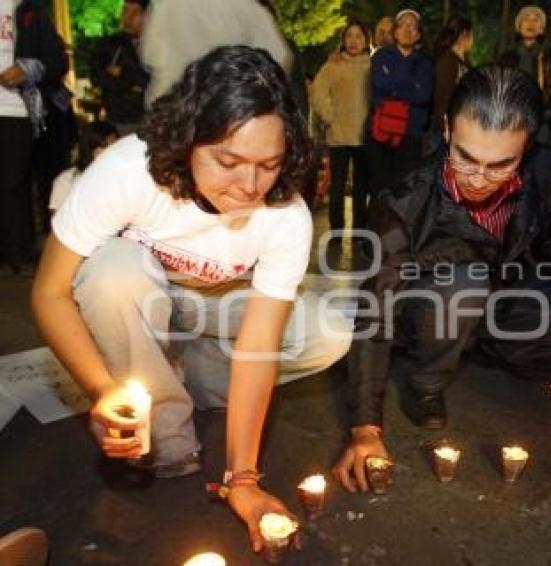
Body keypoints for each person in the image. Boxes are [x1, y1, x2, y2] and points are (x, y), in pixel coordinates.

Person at [31, 47, 352, 553]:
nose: (249, 186)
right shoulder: (126, 171)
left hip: (220, 305)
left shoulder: (284, 211)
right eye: (228, 161)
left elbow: (260, 343)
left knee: (329, 333)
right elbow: (49, 292)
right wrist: (101, 390)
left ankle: (187, 375)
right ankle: (166, 419)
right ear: (186, 140)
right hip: (142, 292)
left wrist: (242, 478)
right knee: (111, 270)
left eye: (269, 164)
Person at [332, 66, 551, 493]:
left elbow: (550, 235)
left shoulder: (541, 173)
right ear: (445, 130)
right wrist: (365, 426)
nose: (478, 179)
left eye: (500, 165)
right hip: (426, 308)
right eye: (465, 157)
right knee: (465, 283)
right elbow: (374, 317)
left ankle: (480, 344)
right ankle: (426, 380)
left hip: (496, 295)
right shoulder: (401, 205)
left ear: (527, 150)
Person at [0, 0, 67, 274]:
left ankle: (18, 254)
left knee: (13, 184)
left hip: (16, 110)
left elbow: (56, 62)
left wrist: (27, 70)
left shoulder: (28, 9)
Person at [139, 0, 294, 106]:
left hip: (175, 107)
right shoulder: (242, 5)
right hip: (228, 107)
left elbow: (149, 56)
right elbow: (278, 55)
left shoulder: (165, 7)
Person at [310, 19, 372, 231]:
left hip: (365, 136)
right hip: (338, 135)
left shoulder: (373, 66)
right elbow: (317, 93)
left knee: (362, 187)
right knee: (337, 186)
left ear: (366, 40)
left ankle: (359, 229)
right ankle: (336, 229)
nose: (353, 41)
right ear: (343, 40)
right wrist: (330, 116)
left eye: (358, 36)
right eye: (349, 36)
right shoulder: (333, 65)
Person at [367, 9, 434, 196]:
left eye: (413, 26)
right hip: (382, 131)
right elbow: (380, 84)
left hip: (411, 133)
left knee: (405, 190)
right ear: (395, 31)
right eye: (403, 25)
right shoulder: (381, 57)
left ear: (419, 34)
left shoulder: (425, 63)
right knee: (379, 189)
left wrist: (394, 87)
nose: (408, 29)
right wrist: (412, 84)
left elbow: (424, 95)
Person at [499, 5, 551, 142]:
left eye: (536, 20)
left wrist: (536, 103)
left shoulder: (549, 54)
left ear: (542, 28)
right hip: (512, 116)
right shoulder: (508, 56)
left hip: (541, 117)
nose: (531, 23)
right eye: (526, 19)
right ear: (519, 26)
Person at [93, 0, 149, 135]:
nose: (127, 18)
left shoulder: (158, 45)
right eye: (125, 11)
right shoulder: (110, 45)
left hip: (149, 119)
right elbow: (98, 77)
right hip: (118, 121)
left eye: (135, 13)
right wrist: (129, 85)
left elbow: (148, 82)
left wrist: (121, 74)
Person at [48, 121, 119, 214]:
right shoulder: (67, 180)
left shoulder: (121, 177)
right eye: (105, 146)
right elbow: (57, 221)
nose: (111, 151)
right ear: (89, 148)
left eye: (115, 145)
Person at [431, 16, 473, 131]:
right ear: (464, 34)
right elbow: (444, 96)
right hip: (446, 126)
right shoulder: (447, 62)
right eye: (472, 35)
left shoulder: (464, 62)